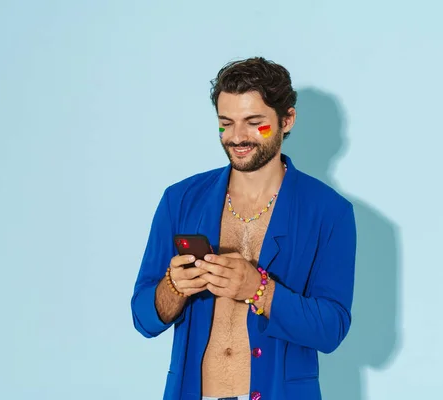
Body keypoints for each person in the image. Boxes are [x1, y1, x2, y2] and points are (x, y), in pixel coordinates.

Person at [131, 57, 357, 400]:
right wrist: (174, 287)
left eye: (254, 123)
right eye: (226, 123)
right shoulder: (180, 200)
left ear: (287, 120)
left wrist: (259, 289)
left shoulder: (329, 211)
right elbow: (143, 317)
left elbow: (332, 328)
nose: (237, 137)